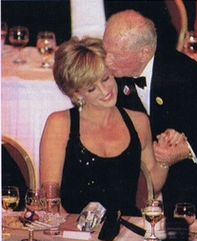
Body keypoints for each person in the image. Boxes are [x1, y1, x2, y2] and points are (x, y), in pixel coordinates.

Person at [103, 10, 197, 219]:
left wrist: (186, 149)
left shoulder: (186, 76)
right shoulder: (115, 75)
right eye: (106, 51)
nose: (107, 61)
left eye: (116, 55)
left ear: (144, 52)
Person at [39, 37, 183, 216]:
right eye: (92, 88)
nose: (105, 90)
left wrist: (164, 157)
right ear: (76, 93)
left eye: (106, 78)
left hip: (126, 231)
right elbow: (50, 200)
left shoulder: (139, 121)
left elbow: (150, 186)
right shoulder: (60, 124)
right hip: (75, 233)